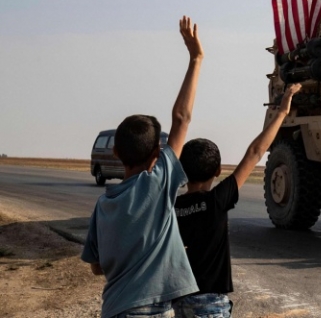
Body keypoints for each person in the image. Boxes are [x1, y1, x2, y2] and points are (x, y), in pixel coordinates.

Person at [81, 16, 204, 318]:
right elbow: (182, 119)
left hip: (113, 309)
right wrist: (196, 58)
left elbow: (96, 266)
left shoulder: (103, 205)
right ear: (156, 155)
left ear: (115, 152)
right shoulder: (157, 184)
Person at [173, 83, 302, 318]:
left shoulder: (174, 207)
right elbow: (255, 152)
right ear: (217, 171)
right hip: (210, 303)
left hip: (180, 301)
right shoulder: (216, 200)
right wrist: (282, 112)